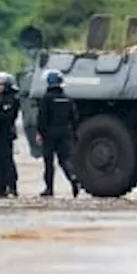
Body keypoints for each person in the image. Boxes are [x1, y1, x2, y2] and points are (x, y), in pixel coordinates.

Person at [36, 69, 80, 198]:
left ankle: (49, 189)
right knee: (65, 159)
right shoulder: (67, 99)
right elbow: (75, 117)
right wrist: (74, 133)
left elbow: (42, 118)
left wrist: (40, 133)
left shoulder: (46, 99)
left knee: (49, 162)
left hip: (49, 133)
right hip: (65, 132)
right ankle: (72, 177)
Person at [0, 71, 20, 197]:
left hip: (5, 133)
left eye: (0, 85)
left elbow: (8, 117)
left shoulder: (10, 99)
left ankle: (12, 186)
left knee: (7, 161)